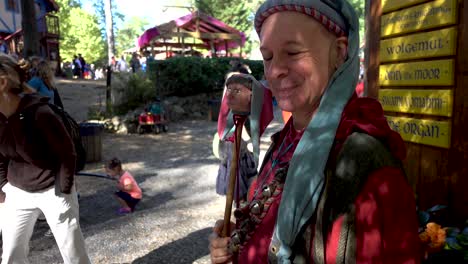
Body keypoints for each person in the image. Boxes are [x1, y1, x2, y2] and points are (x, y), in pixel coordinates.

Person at [209, 1, 420, 263]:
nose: (275, 70)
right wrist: (237, 244)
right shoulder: (285, 141)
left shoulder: (365, 163)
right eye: (268, 57)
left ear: (340, 52)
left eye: (293, 52)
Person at [0, 53, 91, 263]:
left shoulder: (40, 113)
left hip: (53, 189)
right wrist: (3, 188)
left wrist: (63, 189)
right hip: (17, 192)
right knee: (11, 255)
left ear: (3, 83)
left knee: (73, 253)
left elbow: (67, 153)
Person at [215, 74, 259, 203]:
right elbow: (236, 122)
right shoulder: (234, 101)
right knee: (236, 168)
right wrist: (250, 141)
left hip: (230, 140)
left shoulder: (230, 98)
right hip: (234, 142)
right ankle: (239, 197)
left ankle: (238, 197)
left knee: (234, 166)